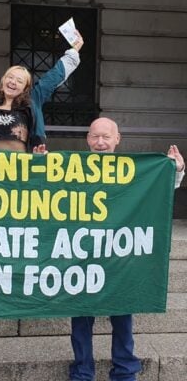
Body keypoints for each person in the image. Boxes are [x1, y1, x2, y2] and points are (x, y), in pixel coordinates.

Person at [69, 117, 185, 381]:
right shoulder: (69, 170)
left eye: (106, 137)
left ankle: (124, 371)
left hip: (119, 260)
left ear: (117, 139)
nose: (100, 142)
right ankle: (82, 372)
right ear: (87, 139)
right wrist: (37, 167)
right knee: (81, 321)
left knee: (122, 318)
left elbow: (158, 192)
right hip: (80, 257)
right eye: (95, 137)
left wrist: (173, 171)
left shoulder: (133, 170)